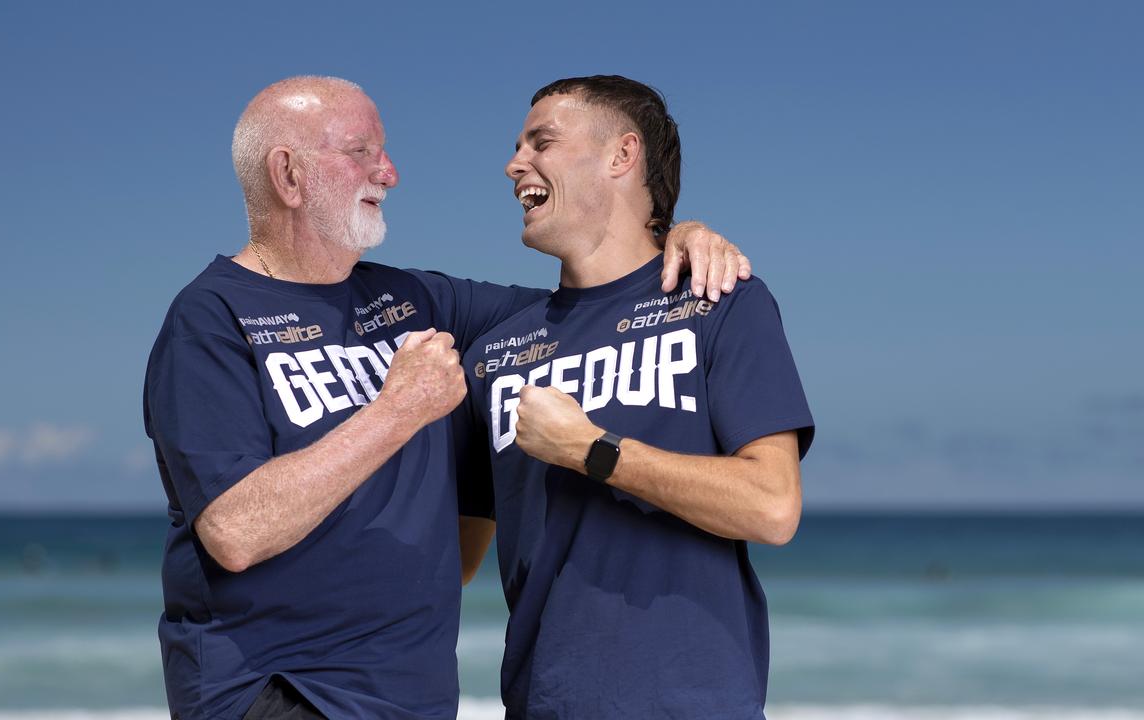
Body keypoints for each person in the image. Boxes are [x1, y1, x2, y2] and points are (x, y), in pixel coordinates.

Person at [142, 76, 749, 720]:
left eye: (386, 150)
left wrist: (674, 232)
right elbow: (236, 530)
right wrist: (396, 411)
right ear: (288, 176)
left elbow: (591, 302)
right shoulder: (210, 318)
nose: (391, 173)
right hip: (278, 690)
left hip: (412, 698)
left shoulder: (416, 301)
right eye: (362, 152)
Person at [460, 75, 815, 719]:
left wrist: (592, 451)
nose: (515, 165)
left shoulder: (718, 302)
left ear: (622, 156)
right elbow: (455, 561)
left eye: (541, 142)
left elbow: (773, 506)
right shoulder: (493, 352)